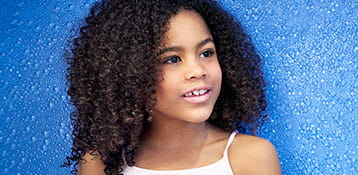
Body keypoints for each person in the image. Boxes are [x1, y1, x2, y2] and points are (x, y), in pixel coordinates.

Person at [63, 0, 281, 174]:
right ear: (129, 73)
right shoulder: (99, 164)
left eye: (206, 53)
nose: (198, 70)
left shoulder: (250, 157)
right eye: (173, 59)